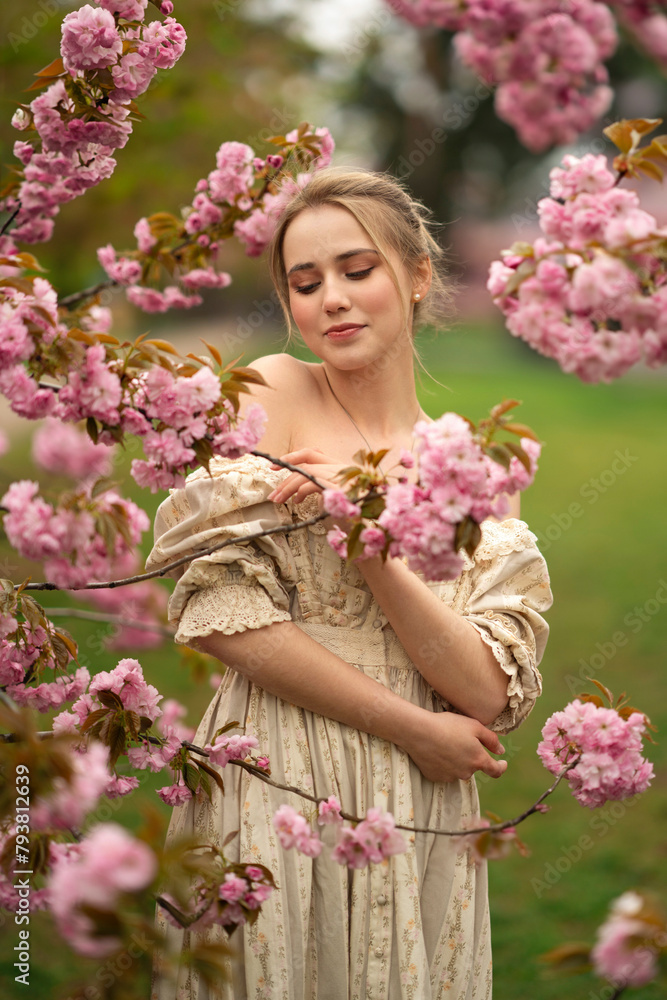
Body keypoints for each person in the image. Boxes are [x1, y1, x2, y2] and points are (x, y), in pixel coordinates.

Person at [147, 168, 552, 1000]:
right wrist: (413, 728)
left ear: (416, 274)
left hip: (417, 802)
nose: (331, 298)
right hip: (279, 770)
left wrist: (367, 541)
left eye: (356, 270)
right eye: (305, 284)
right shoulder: (277, 393)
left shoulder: (472, 468)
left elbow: (483, 691)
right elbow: (220, 613)